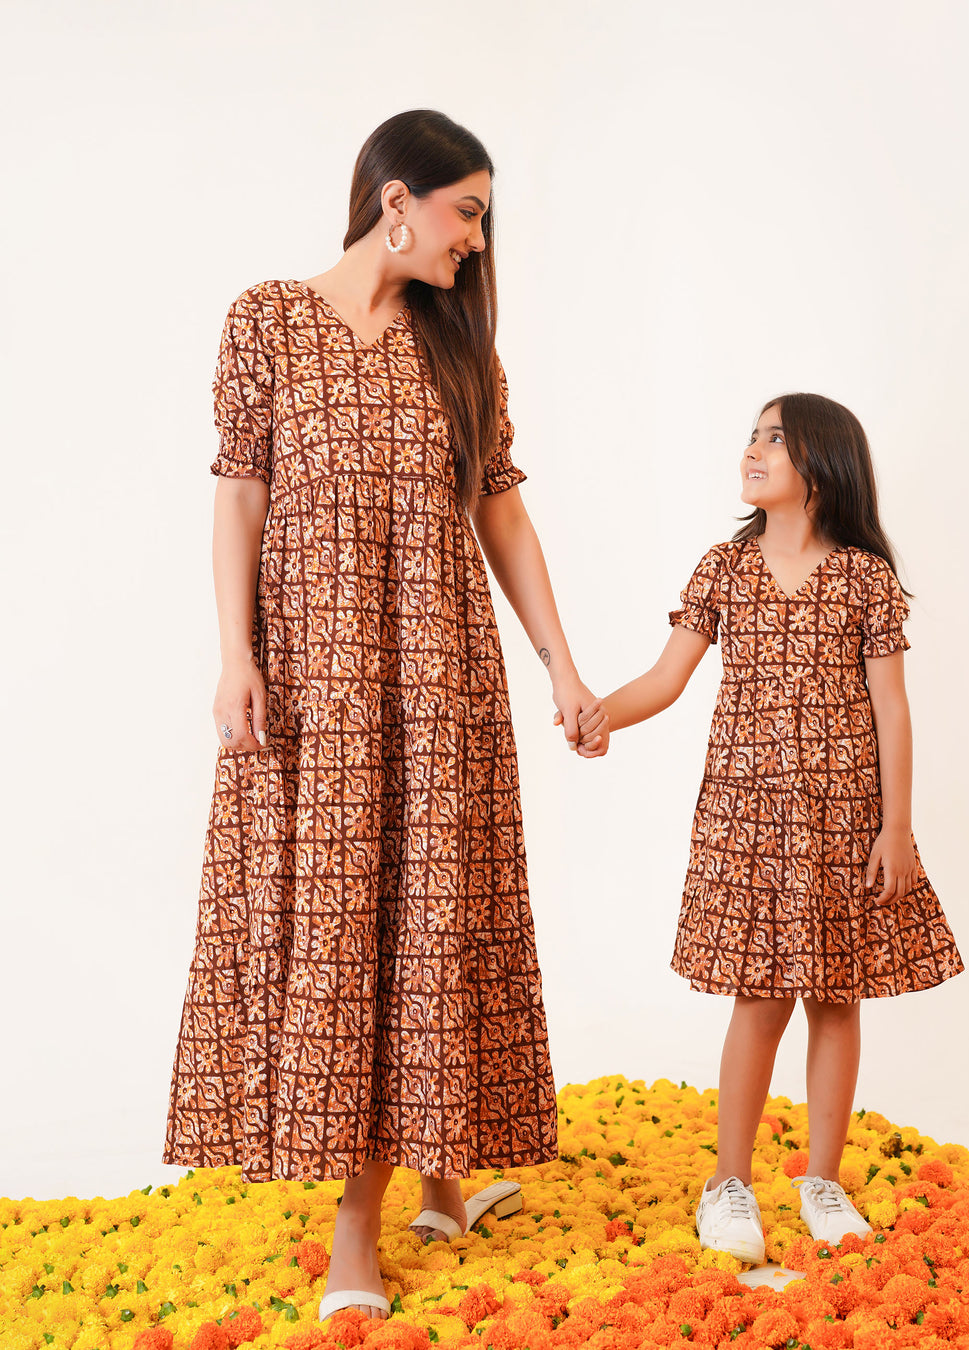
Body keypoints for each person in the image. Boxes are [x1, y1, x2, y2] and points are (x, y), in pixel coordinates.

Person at [161, 109, 604, 1323]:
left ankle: (409, 1190)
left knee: (427, 917)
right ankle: (400, 1196)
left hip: (437, 681)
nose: (478, 240)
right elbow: (241, 493)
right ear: (396, 198)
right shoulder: (267, 319)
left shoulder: (462, 354)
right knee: (343, 928)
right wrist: (235, 653)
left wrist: (563, 667)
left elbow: (501, 515)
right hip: (314, 684)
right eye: (468, 212)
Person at [572, 393, 964, 1263]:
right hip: (747, 820)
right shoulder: (725, 568)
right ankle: (729, 1183)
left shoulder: (864, 578)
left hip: (842, 820)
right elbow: (667, 677)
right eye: (751, 436)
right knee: (759, 999)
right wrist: (602, 713)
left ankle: (822, 1181)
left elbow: (891, 708)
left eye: (773, 439)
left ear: (822, 463)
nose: (751, 449)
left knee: (836, 996)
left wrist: (897, 827)